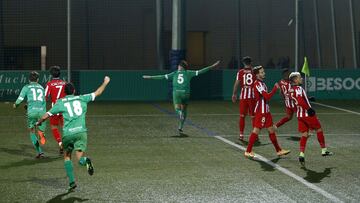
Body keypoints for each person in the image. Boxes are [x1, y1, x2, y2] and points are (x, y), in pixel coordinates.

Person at [36, 76, 111, 191]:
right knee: (80, 157)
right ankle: (85, 161)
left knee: (67, 156)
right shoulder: (82, 98)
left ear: (64, 93)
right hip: (81, 133)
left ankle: (72, 182)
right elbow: (98, 92)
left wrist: (39, 121)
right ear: (74, 91)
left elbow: (47, 114)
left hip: (68, 134)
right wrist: (105, 82)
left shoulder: (61, 102)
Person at [143, 60, 220, 134]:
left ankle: (179, 113)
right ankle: (180, 127)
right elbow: (201, 71)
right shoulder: (189, 73)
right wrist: (212, 66)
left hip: (177, 93)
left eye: (179, 65)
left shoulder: (174, 73)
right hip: (186, 94)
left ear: (180, 67)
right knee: (184, 109)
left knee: (177, 108)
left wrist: (150, 77)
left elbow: (162, 77)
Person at [244, 66, 290, 158]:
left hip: (266, 110)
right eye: (261, 72)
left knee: (271, 130)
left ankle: (279, 150)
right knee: (256, 130)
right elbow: (267, 97)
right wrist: (275, 88)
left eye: (263, 72)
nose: (264, 73)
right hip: (261, 111)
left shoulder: (261, 83)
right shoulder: (257, 84)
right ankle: (248, 151)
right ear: (257, 75)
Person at [288, 72, 333, 166]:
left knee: (305, 134)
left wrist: (308, 99)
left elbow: (297, 99)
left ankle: (301, 154)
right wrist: (309, 109)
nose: (302, 79)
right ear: (295, 80)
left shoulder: (291, 89)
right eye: (300, 77)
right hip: (306, 114)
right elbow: (300, 100)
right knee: (319, 129)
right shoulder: (299, 88)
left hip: (299, 115)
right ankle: (324, 150)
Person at [13, 71, 47, 158]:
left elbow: (20, 98)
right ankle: (41, 133)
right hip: (41, 112)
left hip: (32, 112)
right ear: (38, 79)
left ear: (29, 79)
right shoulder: (41, 88)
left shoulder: (26, 87)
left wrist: (15, 105)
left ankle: (40, 152)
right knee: (40, 129)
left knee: (32, 131)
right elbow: (43, 101)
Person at [232, 56, 256, 141]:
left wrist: (234, 94)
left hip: (244, 96)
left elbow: (237, 83)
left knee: (242, 116)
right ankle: (255, 135)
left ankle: (241, 135)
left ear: (243, 63)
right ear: (251, 62)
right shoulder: (254, 71)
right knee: (253, 116)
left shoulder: (240, 72)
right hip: (252, 96)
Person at [45, 66, 66, 154]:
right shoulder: (64, 83)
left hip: (55, 109)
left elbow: (45, 96)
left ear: (51, 74)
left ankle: (60, 143)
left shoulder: (49, 84)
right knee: (65, 127)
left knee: (54, 127)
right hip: (64, 109)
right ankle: (67, 144)